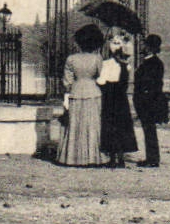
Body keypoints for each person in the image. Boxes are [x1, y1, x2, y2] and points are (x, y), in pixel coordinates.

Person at [57, 24, 104, 167]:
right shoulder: (97, 58)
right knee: (92, 125)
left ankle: (72, 157)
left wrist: (69, 91)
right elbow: (102, 78)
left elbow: (67, 81)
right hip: (93, 92)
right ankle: (91, 157)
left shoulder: (71, 59)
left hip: (76, 92)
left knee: (75, 125)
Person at [98, 32, 139, 168]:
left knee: (110, 126)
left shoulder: (106, 64)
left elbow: (101, 81)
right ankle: (121, 157)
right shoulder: (126, 66)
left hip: (110, 97)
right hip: (121, 99)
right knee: (122, 126)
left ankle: (112, 158)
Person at [132, 34, 169, 167]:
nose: (142, 46)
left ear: (149, 47)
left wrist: (144, 99)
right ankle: (152, 157)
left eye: (144, 44)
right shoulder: (154, 63)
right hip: (150, 100)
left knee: (149, 130)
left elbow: (149, 84)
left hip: (148, 102)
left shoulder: (151, 63)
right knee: (149, 130)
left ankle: (152, 159)